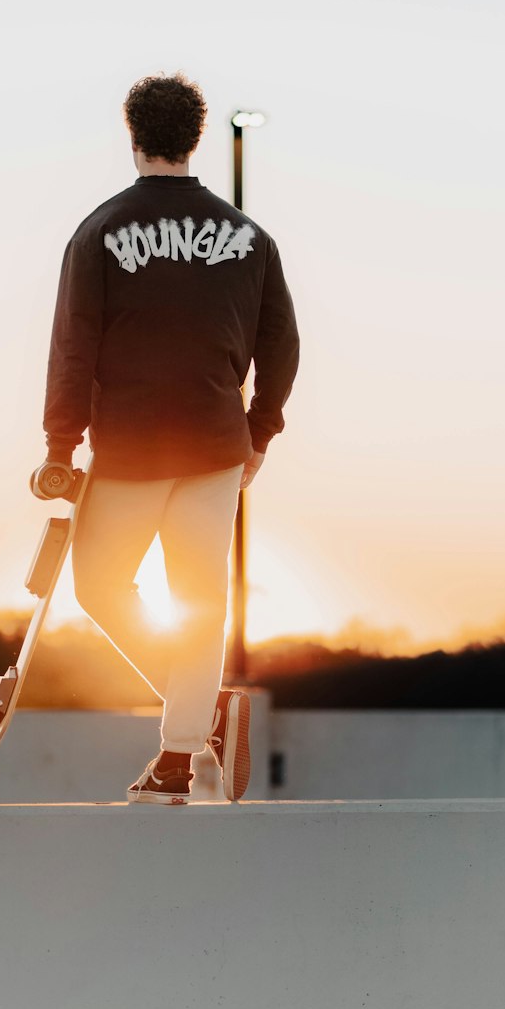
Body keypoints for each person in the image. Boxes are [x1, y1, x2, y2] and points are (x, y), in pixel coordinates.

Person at [35, 72, 299, 804]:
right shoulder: (250, 238)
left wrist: (60, 447)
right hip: (216, 447)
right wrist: (259, 434)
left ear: (133, 135)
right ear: (196, 138)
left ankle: (195, 729)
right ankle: (190, 733)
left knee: (99, 586)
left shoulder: (99, 231)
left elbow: (73, 347)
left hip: (130, 450)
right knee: (201, 597)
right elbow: (283, 344)